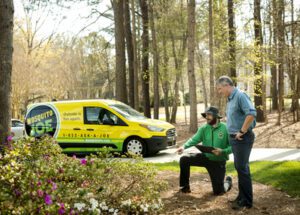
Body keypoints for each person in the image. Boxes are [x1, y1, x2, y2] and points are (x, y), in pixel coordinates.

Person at [216, 76, 256, 210]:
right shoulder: (230, 99)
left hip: (242, 138)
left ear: (227, 85)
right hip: (235, 139)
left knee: (242, 168)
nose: (219, 92)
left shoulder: (240, 96)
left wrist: (242, 131)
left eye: (220, 89)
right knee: (241, 168)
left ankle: (246, 201)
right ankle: (242, 196)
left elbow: (251, 113)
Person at [176, 106, 232, 195]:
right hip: (205, 157)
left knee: (218, 192)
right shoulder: (204, 128)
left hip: (218, 162)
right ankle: (185, 187)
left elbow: (232, 146)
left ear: (216, 116)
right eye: (206, 115)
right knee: (184, 159)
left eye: (209, 115)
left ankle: (228, 182)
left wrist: (223, 151)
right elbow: (194, 139)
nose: (207, 117)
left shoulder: (226, 128)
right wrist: (183, 147)